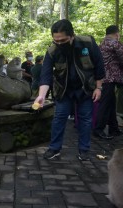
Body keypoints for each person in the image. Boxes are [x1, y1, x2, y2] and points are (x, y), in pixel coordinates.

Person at [34, 19, 105, 161]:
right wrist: (41, 96)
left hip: (85, 89)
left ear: (72, 35)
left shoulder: (88, 43)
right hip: (63, 90)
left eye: (63, 40)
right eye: (56, 40)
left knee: (85, 119)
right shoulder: (52, 51)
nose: (59, 43)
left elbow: (99, 66)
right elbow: (46, 75)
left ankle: (84, 150)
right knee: (59, 118)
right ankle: (54, 148)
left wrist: (99, 88)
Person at [93, 25, 123, 139]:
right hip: (110, 78)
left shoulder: (101, 44)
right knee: (105, 104)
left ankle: (114, 128)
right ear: (117, 34)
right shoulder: (115, 43)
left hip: (102, 78)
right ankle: (98, 129)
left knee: (111, 103)